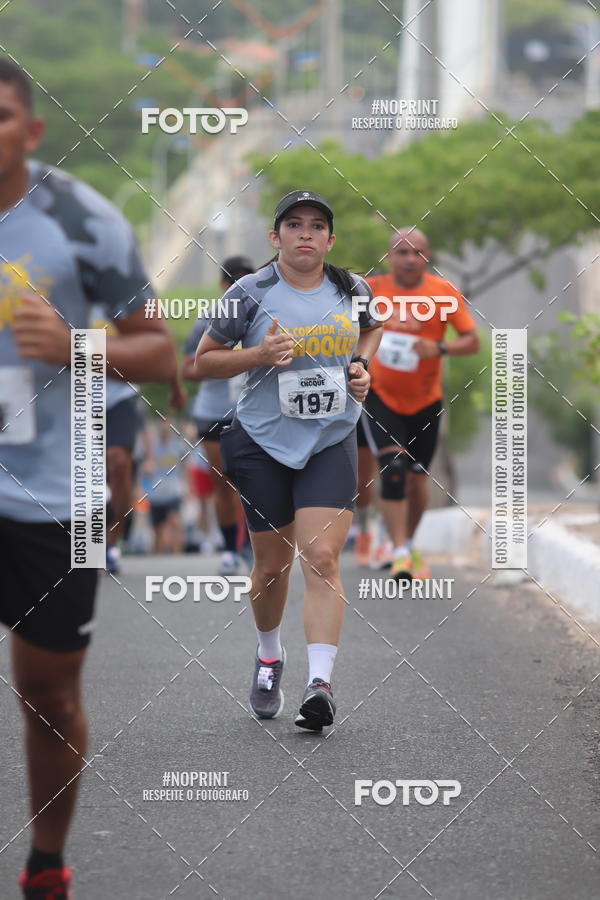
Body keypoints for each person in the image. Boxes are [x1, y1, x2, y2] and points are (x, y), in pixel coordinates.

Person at [0, 59, 177, 899]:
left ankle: (46, 863)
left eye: (0, 116)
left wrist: (75, 345)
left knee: (47, 689)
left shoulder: (81, 222)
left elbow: (156, 349)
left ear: (31, 131)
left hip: (56, 493)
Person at [195, 189, 382, 731]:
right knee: (272, 567)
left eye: (317, 226)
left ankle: (319, 684)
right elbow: (204, 361)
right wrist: (258, 355)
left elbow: (371, 328)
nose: (306, 233)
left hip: (330, 437)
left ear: (330, 238)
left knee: (322, 557)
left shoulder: (355, 288)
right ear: (275, 237)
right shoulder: (248, 294)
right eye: (294, 225)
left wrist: (360, 367)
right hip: (261, 442)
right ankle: (270, 655)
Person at [357, 228, 479, 580]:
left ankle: (408, 543)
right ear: (388, 257)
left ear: (428, 257)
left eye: (417, 252)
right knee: (393, 470)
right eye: (402, 252)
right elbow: (339, 324)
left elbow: (471, 341)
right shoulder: (370, 290)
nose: (410, 259)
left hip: (426, 399)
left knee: (415, 479)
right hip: (381, 395)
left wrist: (440, 348)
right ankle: (397, 552)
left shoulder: (443, 292)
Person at [182, 255, 255, 574]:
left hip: (255, 412)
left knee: (256, 483)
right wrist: (219, 363)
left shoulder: (266, 317)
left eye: (245, 279)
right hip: (213, 413)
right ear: (223, 285)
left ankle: (253, 547)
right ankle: (229, 549)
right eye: (232, 280)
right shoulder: (209, 319)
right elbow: (187, 369)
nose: (238, 286)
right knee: (223, 482)